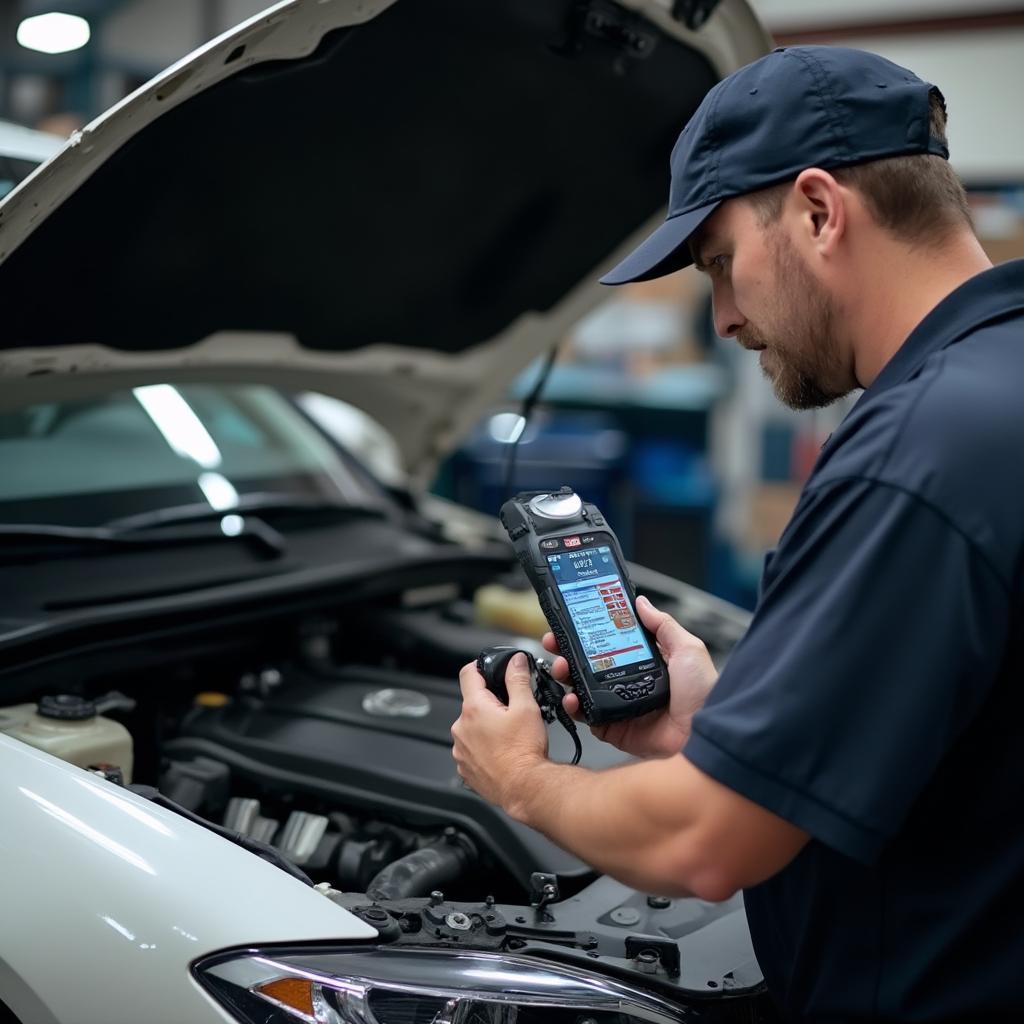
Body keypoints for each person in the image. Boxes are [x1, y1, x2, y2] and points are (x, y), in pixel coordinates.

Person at [451, 45, 1024, 1023]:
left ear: (816, 210)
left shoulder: (919, 453)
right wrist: (722, 721)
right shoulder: (994, 383)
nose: (720, 316)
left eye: (720, 263)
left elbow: (705, 846)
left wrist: (520, 778)